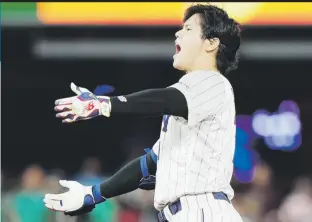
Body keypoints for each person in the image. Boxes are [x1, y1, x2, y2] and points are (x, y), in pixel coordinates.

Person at [44, 3, 242, 222]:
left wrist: (104, 104)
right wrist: (93, 194)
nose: (178, 32)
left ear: (212, 43)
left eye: (188, 29)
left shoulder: (213, 82)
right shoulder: (193, 101)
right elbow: (147, 164)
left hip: (202, 211)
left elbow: (165, 99)